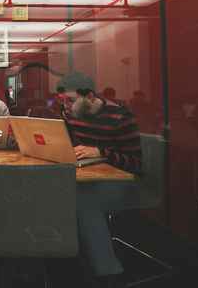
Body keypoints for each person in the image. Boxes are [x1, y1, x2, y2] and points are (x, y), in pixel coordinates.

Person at [62, 88, 144, 288]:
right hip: (96, 175)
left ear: (89, 97)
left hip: (127, 179)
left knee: (78, 200)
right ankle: (95, 266)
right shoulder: (69, 114)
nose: (66, 107)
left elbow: (135, 163)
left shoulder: (121, 116)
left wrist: (101, 152)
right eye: (62, 101)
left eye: (71, 100)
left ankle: (109, 272)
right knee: (74, 195)